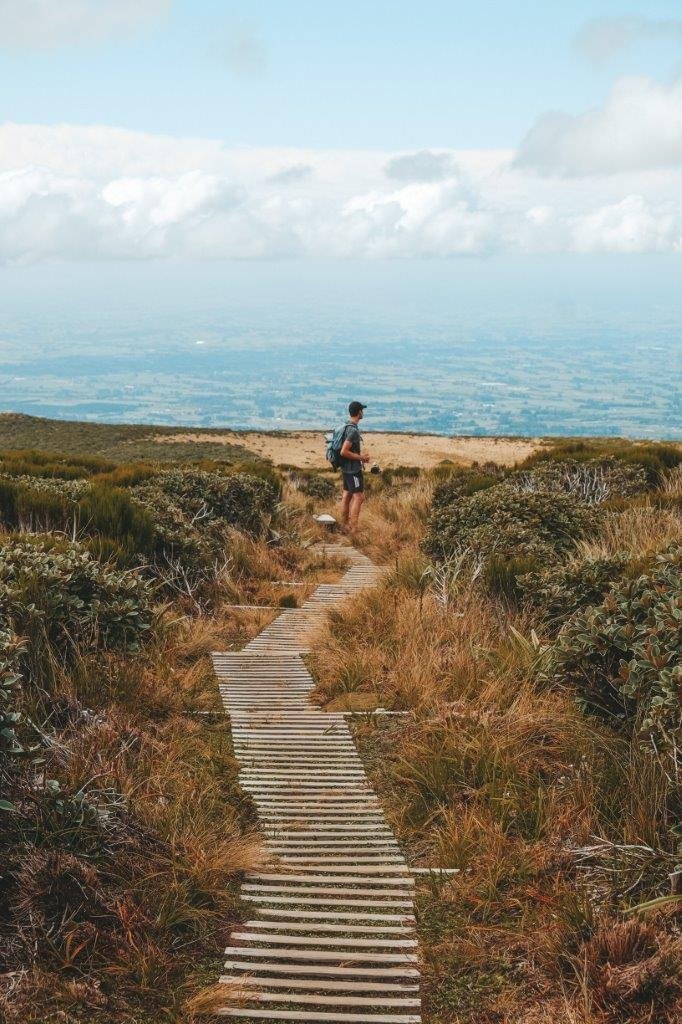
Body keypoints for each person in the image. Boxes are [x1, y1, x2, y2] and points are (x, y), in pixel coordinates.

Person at [339, 400, 369, 534]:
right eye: (362, 410)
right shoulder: (353, 431)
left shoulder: (346, 427)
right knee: (359, 497)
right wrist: (361, 458)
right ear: (359, 412)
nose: (363, 412)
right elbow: (344, 451)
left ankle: (344, 525)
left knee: (346, 495)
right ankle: (353, 529)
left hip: (346, 468)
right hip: (353, 470)